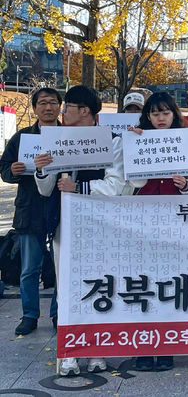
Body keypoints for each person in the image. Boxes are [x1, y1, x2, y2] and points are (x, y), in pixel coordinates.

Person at [32, 86, 109, 376]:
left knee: (100, 286)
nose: (62, 113)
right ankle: (68, 353)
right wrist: (42, 170)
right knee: (67, 288)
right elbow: (46, 189)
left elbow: (119, 186)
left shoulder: (111, 141)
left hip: (101, 227)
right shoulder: (56, 141)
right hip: (65, 225)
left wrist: (81, 188)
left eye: (67, 108)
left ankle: (97, 349)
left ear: (85, 111)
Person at [128, 91, 188, 372]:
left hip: (176, 220)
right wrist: (135, 148)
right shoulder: (134, 141)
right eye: (155, 113)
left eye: (165, 113)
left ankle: (167, 345)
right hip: (143, 218)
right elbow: (127, 183)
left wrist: (185, 185)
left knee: (170, 283)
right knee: (144, 282)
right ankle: (145, 346)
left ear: (174, 115)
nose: (160, 118)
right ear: (148, 116)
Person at [0, 88, 62, 338]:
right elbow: (4, 169)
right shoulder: (21, 137)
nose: (48, 108)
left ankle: (59, 313)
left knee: (61, 267)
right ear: (35, 108)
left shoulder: (70, 136)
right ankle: (29, 315)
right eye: (43, 103)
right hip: (30, 209)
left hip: (61, 206)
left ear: (60, 106)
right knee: (29, 269)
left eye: (53, 102)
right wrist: (12, 171)